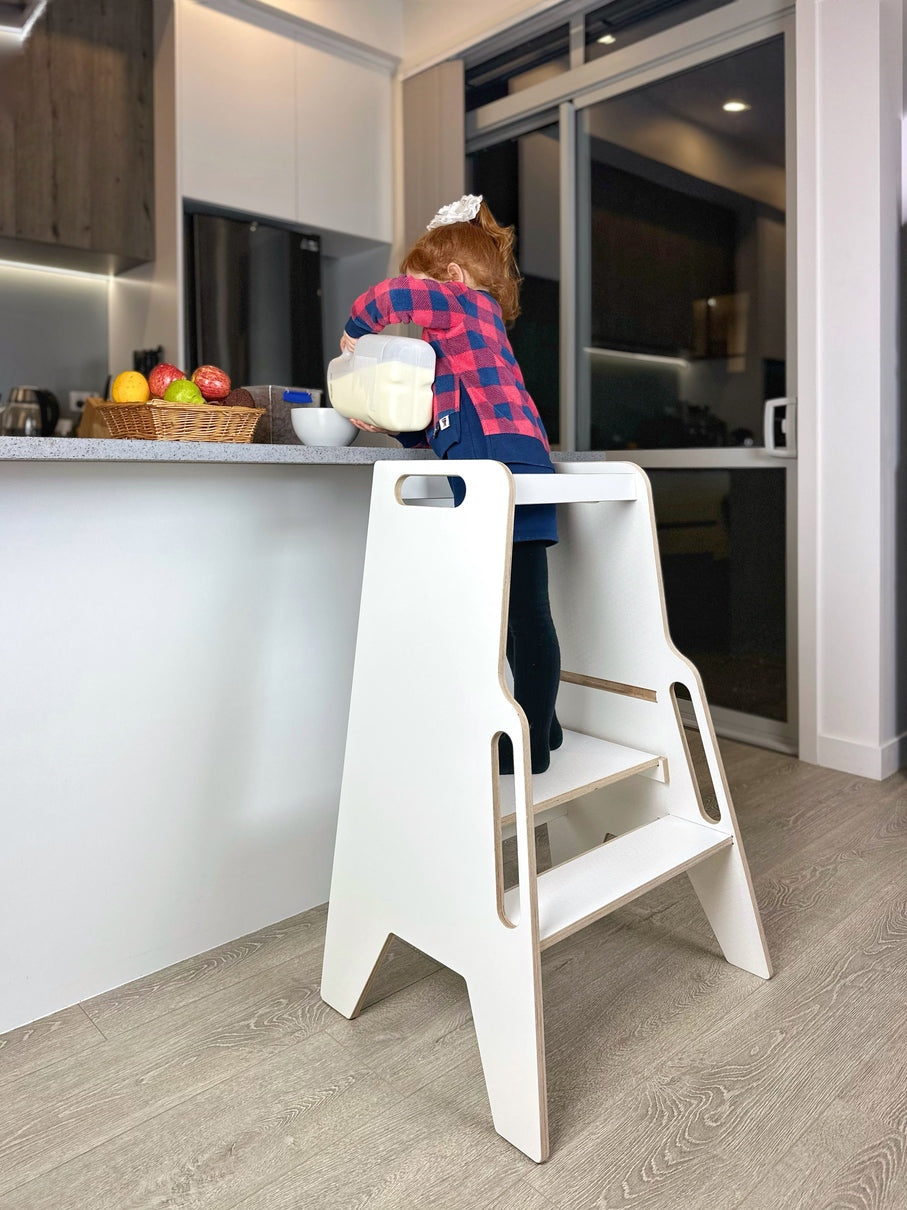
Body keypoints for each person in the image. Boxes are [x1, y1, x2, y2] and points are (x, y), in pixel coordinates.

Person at [341, 194, 563, 774]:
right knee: (514, 606)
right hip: (503, 462)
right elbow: (434, 428)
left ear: (453, 279)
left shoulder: (465, 305)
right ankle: (548, 722)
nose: (417, 316)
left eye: (426, 292)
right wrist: (389, 423)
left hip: (504, 465)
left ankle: (534, 742)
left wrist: (355, 335)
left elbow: (390, 296)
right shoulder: (458, 345)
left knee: (524, 612)